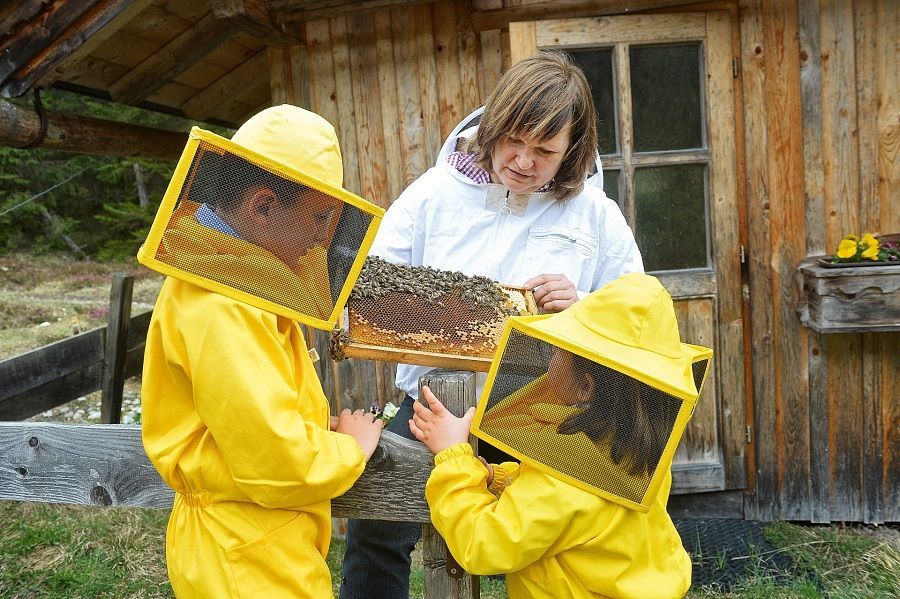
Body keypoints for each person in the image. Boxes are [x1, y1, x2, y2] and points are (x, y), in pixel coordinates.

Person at [340, 50, 643, 598]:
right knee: (377, 530)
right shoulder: (432, 195)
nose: (524, 162)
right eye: (514, 142)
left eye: (545, 151)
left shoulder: (597, 216)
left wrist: (582, 306)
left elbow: (636, 316)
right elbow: (372, 284)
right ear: (494, 126)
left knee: (534, 551)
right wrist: (432, 308)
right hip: (430, 406)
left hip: (538, 416)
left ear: (572, 150)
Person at [140, 105, 384, 598]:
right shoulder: (222, 307)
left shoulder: (232, 277)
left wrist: (313, 431)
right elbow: (276, 459)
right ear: (263, 206)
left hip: (253, 539)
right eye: (318, 215)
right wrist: (350, 448)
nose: (323, 234)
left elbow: (255, 417)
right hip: (245, 557)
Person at [409, 273, 707, 598]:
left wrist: (453, 454)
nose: (551, 359)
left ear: (584, 387)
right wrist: (498, 477)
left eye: (560, 352)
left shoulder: (563, 479)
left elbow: (484, 543)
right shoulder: (634, 454)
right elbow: (566, 503)